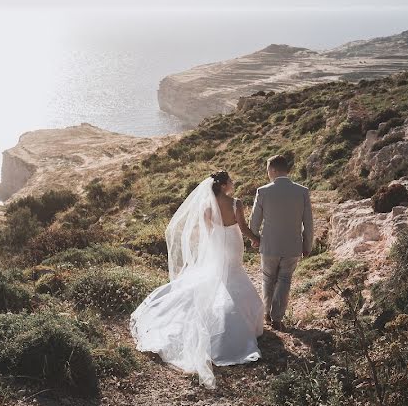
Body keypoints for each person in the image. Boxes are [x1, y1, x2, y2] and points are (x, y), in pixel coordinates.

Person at [130, 171, 264, 389]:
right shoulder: (236, 203)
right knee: (233, 274)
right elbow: (243, 227)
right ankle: (235, 325)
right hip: (232, 243)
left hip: (216, 243)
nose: (233, 183)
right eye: (230, 181)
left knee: (219, 276)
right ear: (222, 185)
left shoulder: (206, 206)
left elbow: (207, 231)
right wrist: (256, 239)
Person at [248, 154, 313, 330]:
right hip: (293, 246)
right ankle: (277, 318)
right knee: (285, 280)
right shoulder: (302, 191)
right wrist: (307, 245)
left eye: (268, 169)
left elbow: (254, 220)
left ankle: (267, 314)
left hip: (269, 245)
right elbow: (308, 222)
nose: (267, 173)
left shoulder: (263, 191)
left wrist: (254, 238)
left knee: (268, 279)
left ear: (274, 170)